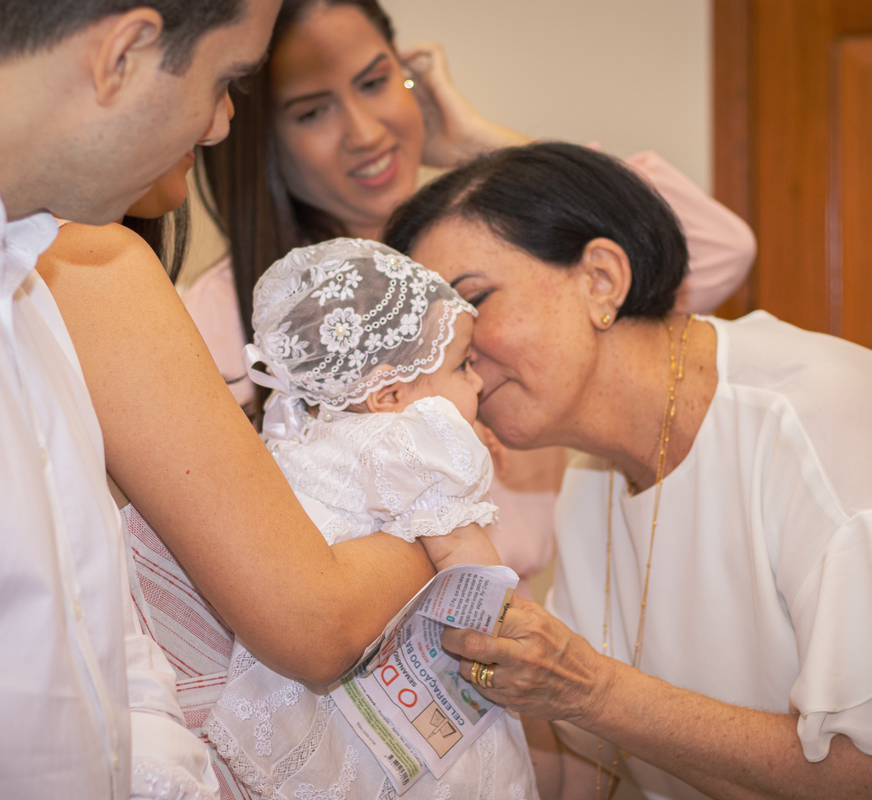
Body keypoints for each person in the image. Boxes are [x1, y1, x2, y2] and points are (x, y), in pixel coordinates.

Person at [381, 142, 872, 800]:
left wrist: (592, 690)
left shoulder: (822, 422)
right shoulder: (589, 479)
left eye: (472, 303)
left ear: (601, 279)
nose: (448, 354)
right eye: (424, 338)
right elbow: (586, 767)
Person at [0, 0, 282, 796]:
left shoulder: (13, 254)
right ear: (124, 53)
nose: (217, 127)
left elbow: (101, 642)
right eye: (220, 81)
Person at [185, 0, 758, 592]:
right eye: (312, 112)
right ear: (260, 137)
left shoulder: (475, 247)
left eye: (375, 83)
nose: (365, 132)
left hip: (510, 619)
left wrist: (478, 146)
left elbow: (717, 249)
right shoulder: (223, 321)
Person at [200, 239, 538, 799]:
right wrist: (501, 623)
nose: (477, 382)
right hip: (421, 689)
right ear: (389, 394)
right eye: (462, 365)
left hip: (334, 703)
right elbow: (464, 560)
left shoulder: (291, 447)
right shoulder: (411, 442)